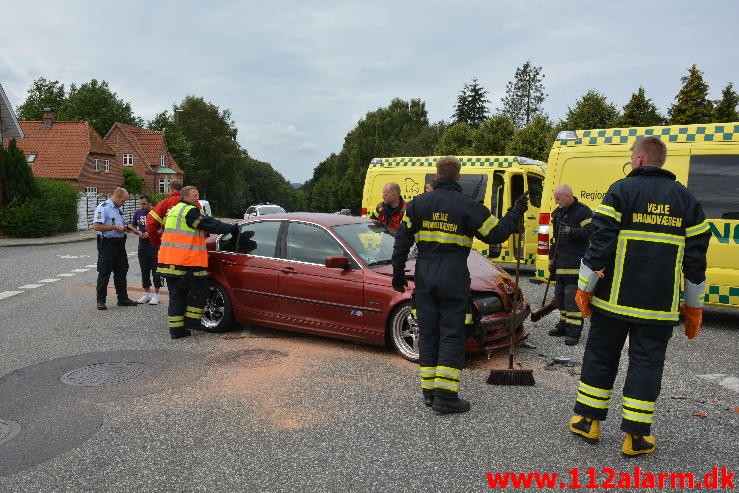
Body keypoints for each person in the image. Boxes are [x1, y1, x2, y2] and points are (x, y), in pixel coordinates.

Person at [570, 136, 710, 456]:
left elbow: (600, 245)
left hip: (613, 303)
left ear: (640, 159)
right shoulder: (687, 201)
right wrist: (693, 307)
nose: (631, 160)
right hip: (658, 309)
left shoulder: (621, 190)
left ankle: (588, 421)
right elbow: (696, 261)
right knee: (647, 365)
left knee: (601, 357)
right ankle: (636, 437)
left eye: (632, 156)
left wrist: (584, 288)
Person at [391, 156, 529, 414]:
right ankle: (446, 397)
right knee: (452, 334)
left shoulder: (417, 205)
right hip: (453, 276)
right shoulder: (468, 206)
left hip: (425, 276)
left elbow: (401, 241)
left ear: (437, 174)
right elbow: (496, 234)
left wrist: (398, 273)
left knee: (428, 332)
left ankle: (429, 393)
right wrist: (515, 213)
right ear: (458, 176)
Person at [157, 186, 239, 339]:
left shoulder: (174, 210)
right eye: (195, 195)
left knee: (177, 295)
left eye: (198, 195)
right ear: (186, 196)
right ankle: (192, 322)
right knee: (200, 290)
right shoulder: (190, 212)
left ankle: (176, 330)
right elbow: (210, 224)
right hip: (185, 262)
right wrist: (232, 228)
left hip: (169, 261)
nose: (197, 198)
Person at [547, 184, 594, 345]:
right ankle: (564, 326)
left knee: (571, 300)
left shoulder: (583, 211)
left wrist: (570, 231)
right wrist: (551, 258)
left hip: (576, 264)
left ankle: (573, 333)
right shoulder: (558, 214)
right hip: (561, 265)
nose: (556, 201)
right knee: (560, 297)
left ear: (568, 196)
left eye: (558, 198)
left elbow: (590, 233)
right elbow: (554, 240)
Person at [93, 187, 138, 310]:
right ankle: (101, 301)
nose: (124, 203)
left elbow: (120, 224)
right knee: (104, 272)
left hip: (120, 244)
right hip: (107, 244)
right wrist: (114, 228)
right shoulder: (103, 207)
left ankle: (122, 298)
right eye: (123, 201)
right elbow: (96, 226)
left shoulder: (118, 209)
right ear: (117, 196)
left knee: (121, 271)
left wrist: (125, 228)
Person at [132, 195, 162, 305]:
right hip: (142, 247)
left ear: (150, 203)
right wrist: (138, 232)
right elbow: (133, 226)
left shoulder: (156, 212)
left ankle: (156, 295)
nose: (142, 206)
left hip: (154, 247)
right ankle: (146, 294)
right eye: (140, 204)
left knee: (156, 272)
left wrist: (151, 233)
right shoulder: (138, 213)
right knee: (144, 271)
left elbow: (162, 228)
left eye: (144, 204)